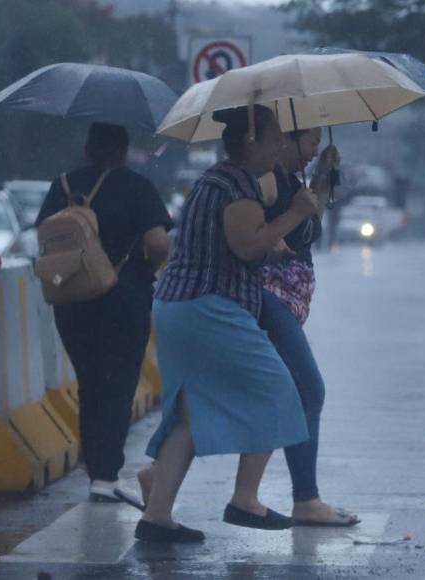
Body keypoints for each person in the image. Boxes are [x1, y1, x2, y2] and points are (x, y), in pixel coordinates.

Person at [133, 105, 319, 543]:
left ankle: (157, 515)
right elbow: (247, 244)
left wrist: (272, 246)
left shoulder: (216, 179)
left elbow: (229, 244)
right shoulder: (239, 184)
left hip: (177, 305)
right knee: (281, 392)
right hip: (209, 308)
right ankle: (245, 498)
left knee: (189, 415)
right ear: (251, 140)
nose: (280, 146)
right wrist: (294, 213)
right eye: (275, 138)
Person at [35, 122, 172, 502]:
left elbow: (43, 235)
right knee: (118, 385)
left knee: (90, 383)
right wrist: (147, 267)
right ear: (123, 151)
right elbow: (158, 243)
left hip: (71, 298)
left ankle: (96, 469)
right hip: (123, 298)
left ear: (87, 148)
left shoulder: (62, 185)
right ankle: (105, 476)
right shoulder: (137, 187)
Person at [259, 128, 359, 526]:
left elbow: (307, 219)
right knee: (308, 390)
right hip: (269, 294)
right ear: (283, 138)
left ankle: (160, 478)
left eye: (318, 145)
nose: (312, 150)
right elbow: (262, 232)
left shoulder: (290, 181)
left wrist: (321, 174)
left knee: (286, 391)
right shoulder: (266, 181)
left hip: (288, 296)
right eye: (309, 144)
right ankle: (305, 498)